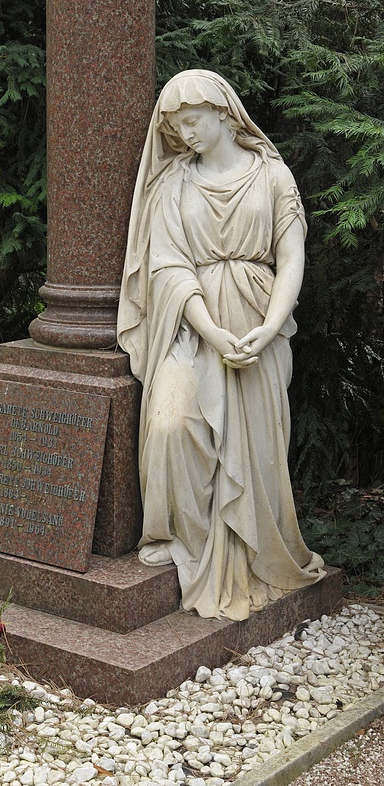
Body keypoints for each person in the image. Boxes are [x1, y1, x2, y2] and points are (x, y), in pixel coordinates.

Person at [117, 69, 324, 621]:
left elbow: (293, 256)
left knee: (252, 452)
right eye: (176, 126)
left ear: (224, 112)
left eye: (192, 120)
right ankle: (187, 540)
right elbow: (167, 267)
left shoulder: (272, 176)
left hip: (260, 323)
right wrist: (212, 331)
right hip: (193, 326)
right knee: (169, 423)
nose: (184, 134)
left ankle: (252, 550)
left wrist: (272, 324)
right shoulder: (171, 186)